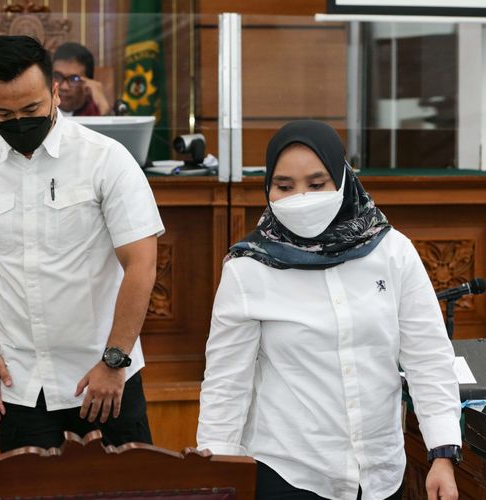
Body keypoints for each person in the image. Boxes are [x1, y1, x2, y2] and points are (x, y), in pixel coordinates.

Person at [196, 120, 462, 500]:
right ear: (267, 187)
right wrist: (216, 472)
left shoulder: (392, 252)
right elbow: (226, 385)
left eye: (317, 184)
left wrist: (442, 453)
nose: (301, 197)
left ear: (342, 179)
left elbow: (428, 357)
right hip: (289, 474)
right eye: (284, 187)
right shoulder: (249, 267)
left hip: (380, 475)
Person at [0, 35, 164, 451]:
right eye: (4, 113)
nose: (20, 122)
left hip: (104, 375)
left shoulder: (105, 159)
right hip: (22, 383)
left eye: (31, 109)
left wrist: (115, 361)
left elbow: (142, 263)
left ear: (55, 93)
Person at [52, 42, 111, 116]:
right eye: (57, 76)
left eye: (74, 79)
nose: (64, 87)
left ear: (89, 83)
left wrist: (102, 104)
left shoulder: (95, 110)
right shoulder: (40, 109)